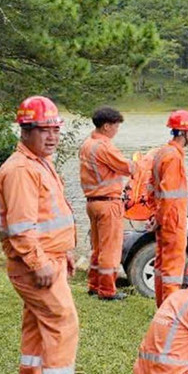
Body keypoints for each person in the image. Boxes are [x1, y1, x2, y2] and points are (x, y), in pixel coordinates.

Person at [0, 95, 85, 374]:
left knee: (36, 326)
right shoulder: (21, 170)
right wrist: (40, 263)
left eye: (55, 130)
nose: (52, 137)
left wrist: (63, 252)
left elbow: (48, 216)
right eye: (45, 130)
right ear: (25, 131)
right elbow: (21, 229)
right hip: (35, 265)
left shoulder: (38, 163)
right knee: (62, 323)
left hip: (48, 258)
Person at [78, 105, 133, 301]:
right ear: (107, 126)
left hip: (92, 202)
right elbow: (127, 167)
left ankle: (94, 285)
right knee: (111, 249)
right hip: (108, 203)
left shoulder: (87, 144)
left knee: (98, 248)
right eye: (116, 126)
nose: (117, 130)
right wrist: (143, 162)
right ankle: (108, 290)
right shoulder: (104, 146)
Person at [151, 109, 188, 306]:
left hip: (164, 217)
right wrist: (161, 219)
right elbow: (168, 194)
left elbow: (152, 187)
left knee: (161, 265)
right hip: (173, 219)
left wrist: (155, 216)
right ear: (186, 133)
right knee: (173, 270)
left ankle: (162, 307)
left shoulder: (162, 152)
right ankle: (170, 313)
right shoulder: (174, 158)